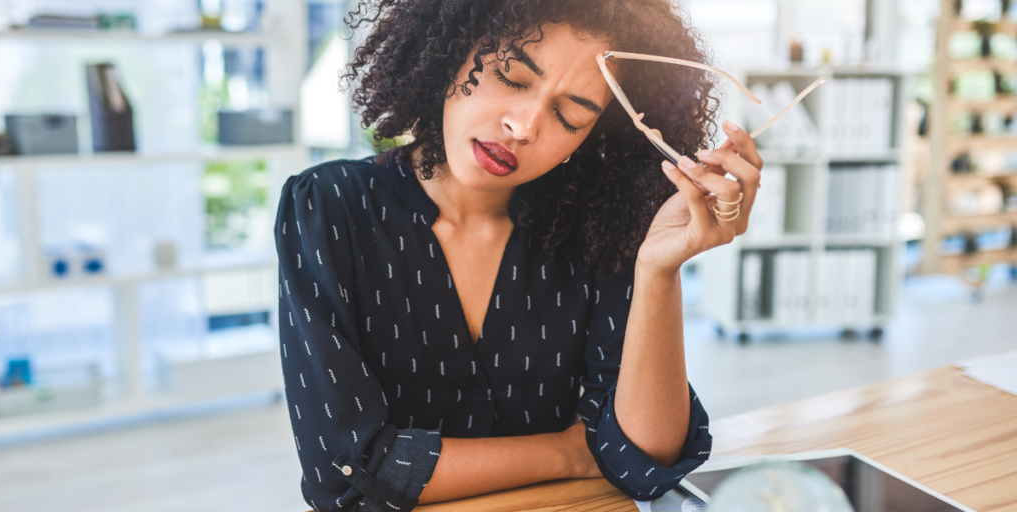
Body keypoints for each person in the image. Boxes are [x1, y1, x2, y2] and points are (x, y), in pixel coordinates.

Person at [275, 0, 763, 510]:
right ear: (450, 52)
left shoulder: (599, 231)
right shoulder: (328, 208)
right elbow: (344, 474)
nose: (525, 126)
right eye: (511, 76)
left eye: (569, 115)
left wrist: (658, 270)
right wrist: (572, 453)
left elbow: (642, 460)